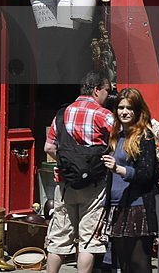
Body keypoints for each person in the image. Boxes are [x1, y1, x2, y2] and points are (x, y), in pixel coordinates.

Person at [45, 71, 115, 273]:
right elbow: (121, 140)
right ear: (96, 90)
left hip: (65, 183)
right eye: (106, 91)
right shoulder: (103, 114)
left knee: (59, 236)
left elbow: (48, 148)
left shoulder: (61, 114)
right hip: (94, 184)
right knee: (89, 239)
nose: (107, 96)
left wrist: (69, 159)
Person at [99, 88, 158, 273]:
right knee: (123, 266)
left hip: (138, 206)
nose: (124, 111)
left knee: (139, 265)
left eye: (129, 108)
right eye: (121, 107)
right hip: (117, 207)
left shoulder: (144, 136)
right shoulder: (116, 137)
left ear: (137, 110)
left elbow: (147, 173)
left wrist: (120, 169)